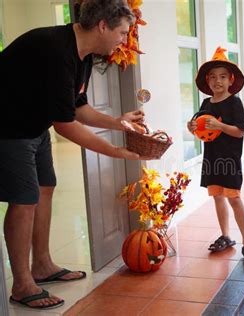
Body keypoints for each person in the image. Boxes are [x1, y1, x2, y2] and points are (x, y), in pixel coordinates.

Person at [0, 0, 148, 309]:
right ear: (103, 26)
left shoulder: (81, 54)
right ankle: (22, 284)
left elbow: (77, 107)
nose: (124, 40)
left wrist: (117, 122)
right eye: (122, 33)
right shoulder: (55, 50)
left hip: (32, 126)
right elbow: (65, 125)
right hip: (8, 128)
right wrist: (114, 151)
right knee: (25, 200)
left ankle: (42, 265)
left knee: (44, 189)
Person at [187, 47, 244, 265]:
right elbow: (201, 129)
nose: (217, 81)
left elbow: (240, 131)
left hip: (229, 159)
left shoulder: (234, 102)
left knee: (234, 198)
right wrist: (192, 126)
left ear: (230, 80)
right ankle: (226, 235)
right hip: (211, 158)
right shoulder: (206, 104)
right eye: (212, 77)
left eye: (222, 77)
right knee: (217, 197)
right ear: (207, 81)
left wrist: (219, 125)